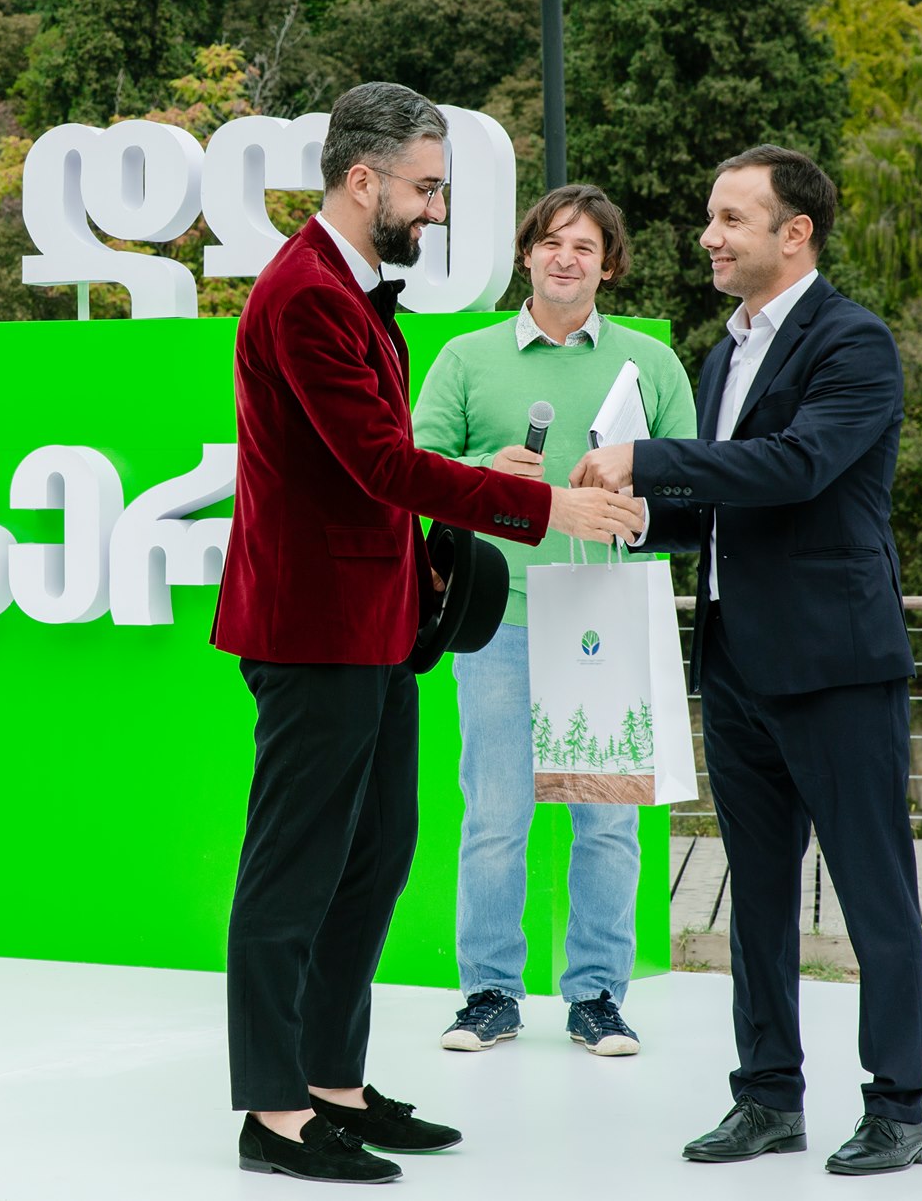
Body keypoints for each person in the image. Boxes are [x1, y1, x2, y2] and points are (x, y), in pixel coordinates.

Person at [212, 82, 646, 1185]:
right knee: (293, 871)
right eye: (426, 186)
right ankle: (272, 1113)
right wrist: (541, 504)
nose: (437, 209)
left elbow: (370, 467)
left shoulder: (349, 292)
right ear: (362, 180)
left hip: (374, 623)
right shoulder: (304, 294)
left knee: (373, 857)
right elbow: (378, 464)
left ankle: (331, 1083)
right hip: (312, 627)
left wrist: (464, 505)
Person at [570, 146, 922, 1176]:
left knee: (875, 896)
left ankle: (899, 1108)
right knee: (757, 899)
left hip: (836, 664)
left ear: (795, 233)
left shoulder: (852, 341)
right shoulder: (719, 353)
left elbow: (796, 466)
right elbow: (719, 505)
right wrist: (640, 515)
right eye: (710, 217)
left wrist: (646, 458)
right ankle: (768, 1096)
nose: (708, 237)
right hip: (733, 663)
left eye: (731, 218)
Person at [411, 184, 695, 1060]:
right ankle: (490, 993)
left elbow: (693, 490)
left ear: (609, 266)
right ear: (526, 254)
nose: (566, 258)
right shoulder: (466, 357)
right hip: (499, 617)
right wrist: (481, 473)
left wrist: (640, 507)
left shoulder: (651, 363)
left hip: (607, 620)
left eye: (585, 247)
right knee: (496, 818)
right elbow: (410, 471)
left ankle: (598, 997)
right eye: (552, 242)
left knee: (606, 823)